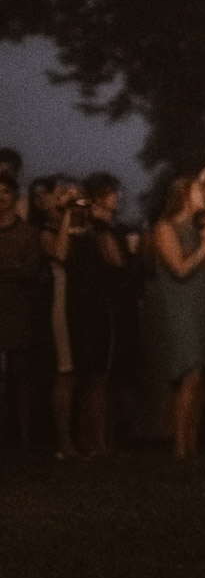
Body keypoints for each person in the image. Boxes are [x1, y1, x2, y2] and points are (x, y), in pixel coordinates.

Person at [44, 173, 135, 458]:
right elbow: (61, 255)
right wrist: (71, 214)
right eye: (61, 194)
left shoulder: (100, 229)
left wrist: (100, 225)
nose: (69, 199)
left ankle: (100, 442)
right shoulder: (57, 228)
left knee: (99, 375)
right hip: (71, 305)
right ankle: (69, 443)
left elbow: (118, 264)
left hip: (100, 306)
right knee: (72, 374)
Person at [145, 177, 205, 459]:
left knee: (200, 375)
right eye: (199, 189)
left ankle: (192, 444)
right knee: (187, 372)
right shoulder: (165, 228)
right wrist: (204, 244)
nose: (204, 194)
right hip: (181, 307)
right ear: (184, 195)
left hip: (203, 304)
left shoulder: (198, 228)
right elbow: (179, 269)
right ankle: (178, 446)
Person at [0, 171, 43, 450]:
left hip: (18, 308)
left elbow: (31, 271)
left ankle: (24, 437)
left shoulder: (28, 233)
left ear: (15, 198)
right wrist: (12, 268)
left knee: (20, 372)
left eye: (5, 192)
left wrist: (12, 270)